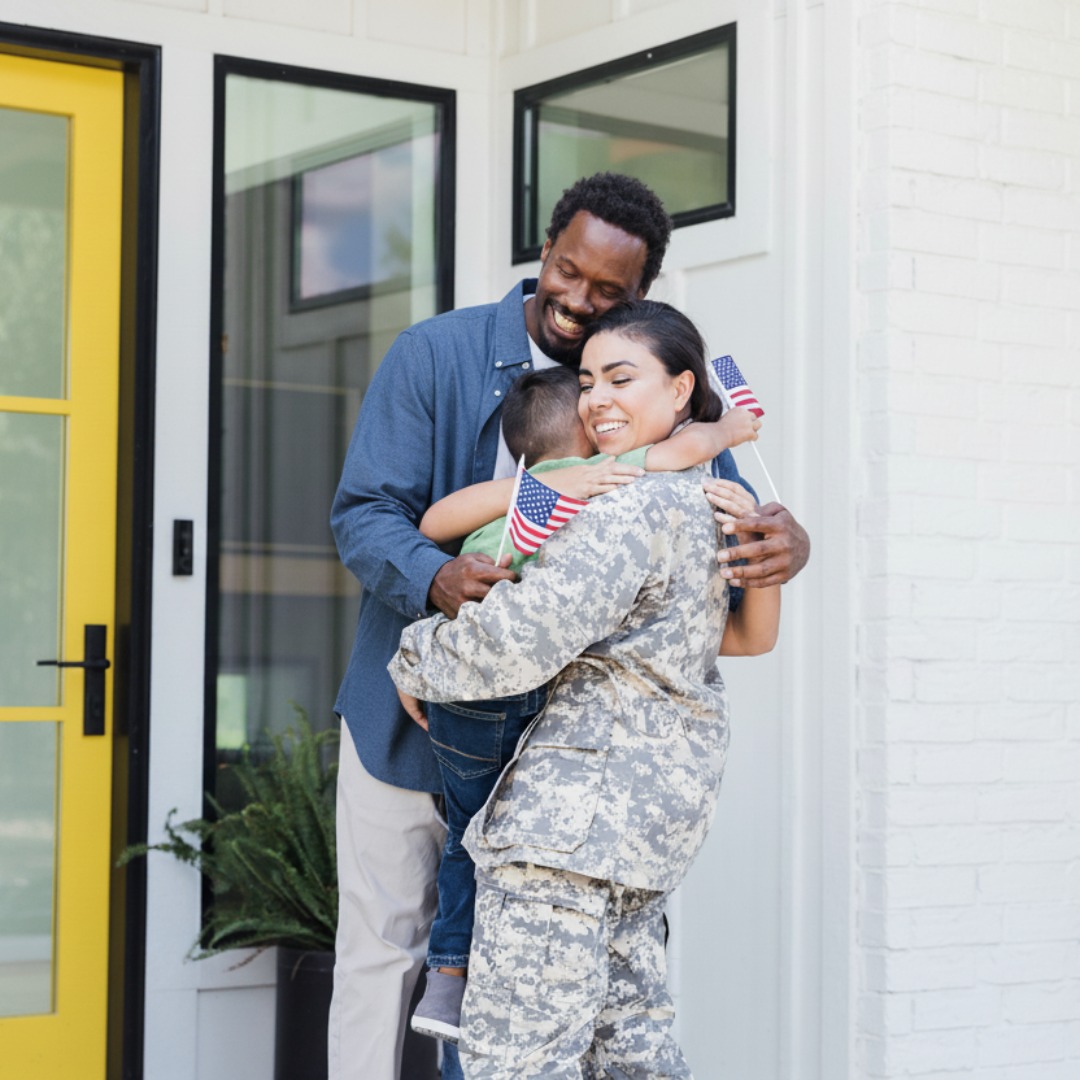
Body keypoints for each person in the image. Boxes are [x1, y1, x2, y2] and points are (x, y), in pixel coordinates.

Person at [329, 172, 809, 1080]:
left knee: (525, 995)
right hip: (409, 732)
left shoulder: (650, 401)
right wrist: (438, 584)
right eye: (567, 269)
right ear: (544, 251)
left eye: (607, 292)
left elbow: (728, 554)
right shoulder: (435, 354)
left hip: (556, 765)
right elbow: (365, 514)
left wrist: (789, 545)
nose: (578, 300)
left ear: (641, 298)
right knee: (383, 961)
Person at [388, 300, 781, 1077]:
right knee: (629, 1056)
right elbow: (743, 637)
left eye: (622, 377)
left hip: (565, 833)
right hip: (649, 834)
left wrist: (414, 653)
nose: (597, 397)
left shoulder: (627, 510)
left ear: (680, 391)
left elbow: (511, 644)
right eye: (590, 379)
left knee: (523, 1063)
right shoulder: (708, 500)